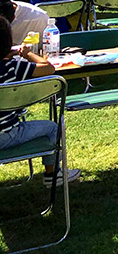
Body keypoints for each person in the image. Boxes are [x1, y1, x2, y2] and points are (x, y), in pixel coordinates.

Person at [0, 15, 81, 186]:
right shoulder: (11, 68)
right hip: (7, 135)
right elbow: (48, 68)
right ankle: (53, 174)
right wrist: (28, 54)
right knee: (52, 128)